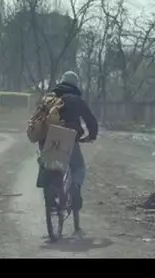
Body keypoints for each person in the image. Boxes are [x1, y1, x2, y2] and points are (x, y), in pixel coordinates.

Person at [32, 70, 98, 236]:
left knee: (46, 164)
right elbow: (90, 120)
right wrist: (92, 135)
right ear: (75, 84)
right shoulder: (76, 100)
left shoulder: (48, 98)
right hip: (68, 137)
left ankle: (50, 200)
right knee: (78, 167)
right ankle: (75, 186)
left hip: (47, 139)